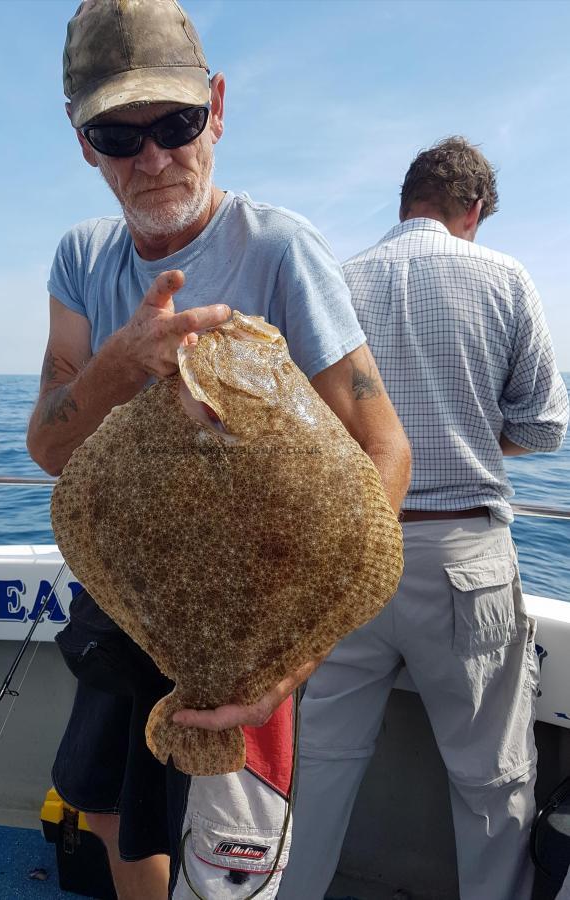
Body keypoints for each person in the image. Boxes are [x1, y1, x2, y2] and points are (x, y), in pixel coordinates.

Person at [26, 1, 411, 898]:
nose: (153, 156)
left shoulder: (276, 249)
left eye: (175, 123)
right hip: (128, 607)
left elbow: (380, 448)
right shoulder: (80, 259)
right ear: (82, 140)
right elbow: (52, 450)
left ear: (218, 109)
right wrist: (118, 368)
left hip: (257, 635)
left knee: (230, 857)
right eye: (119, 134)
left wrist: (295, 656)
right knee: (113, 805)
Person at [278, 137, 569, 900]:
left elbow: (303, 431)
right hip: (462, 560)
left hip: (351, 555)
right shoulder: (503, 276)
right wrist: (471, 433)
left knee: (321, 767)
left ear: (406, 201)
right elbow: (543, 426)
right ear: (471, 211)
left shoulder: (334, 285)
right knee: (490, 781)